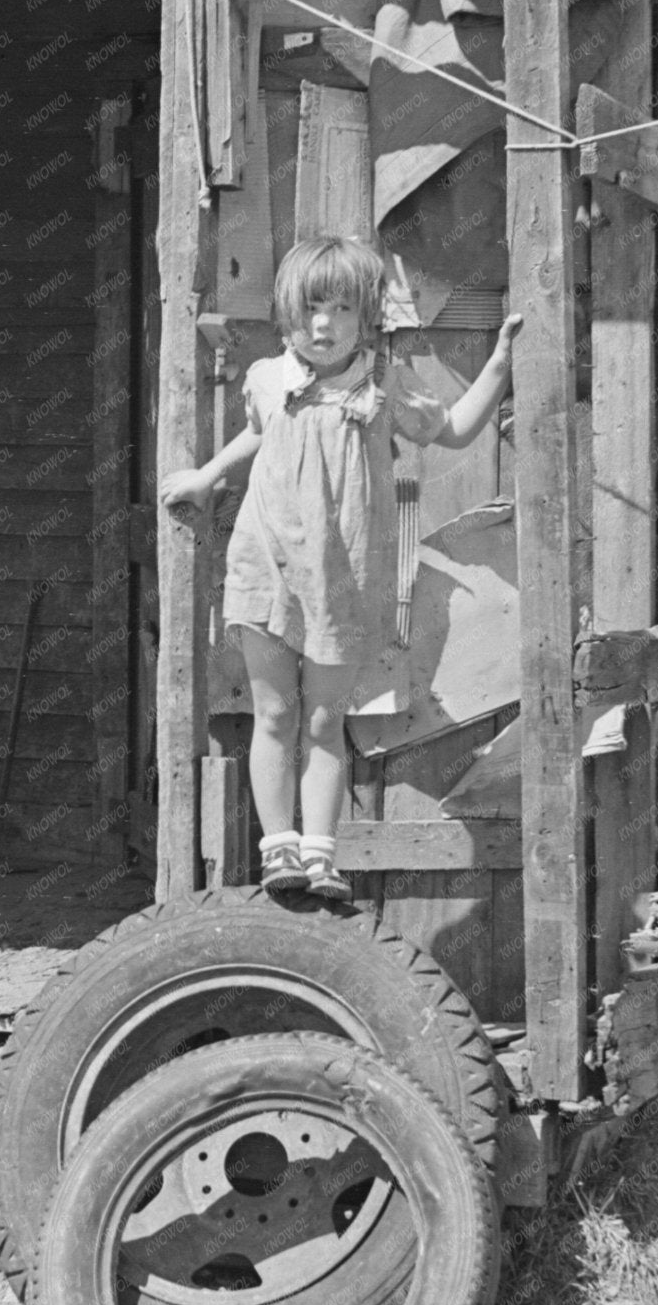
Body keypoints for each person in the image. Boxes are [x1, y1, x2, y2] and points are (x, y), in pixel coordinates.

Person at [160, 236, 520, 897]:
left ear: (367, 316)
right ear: (288, 313)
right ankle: (280, 851)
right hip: (266, 570)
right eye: (310, 309)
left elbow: (455, 430)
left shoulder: (385, 386)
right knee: (274, 716)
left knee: (326, 721)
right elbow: (260, 432)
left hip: (344, 581)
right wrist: (207, 476)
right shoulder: (268, 378)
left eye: (341, 309)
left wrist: (499, 364)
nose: (323, 325)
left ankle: (321, 855)